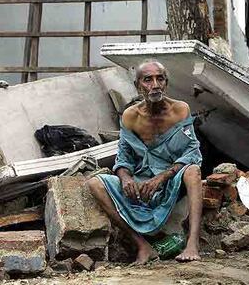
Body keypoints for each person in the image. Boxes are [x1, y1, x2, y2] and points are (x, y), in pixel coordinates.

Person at [86, 60, 203, 264]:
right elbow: (123, 158)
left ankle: (192, 243)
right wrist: (125, 178)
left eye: (160, 79)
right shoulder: (131, 116)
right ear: (138, 85)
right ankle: (142, 245)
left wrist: (162, 177)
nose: (155, 85)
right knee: (95, 183)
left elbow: (193, 152)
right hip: (141, 185)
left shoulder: (180, 110)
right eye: (148, 80)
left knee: (193, 170)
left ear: (166, 83)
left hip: (171, 182)